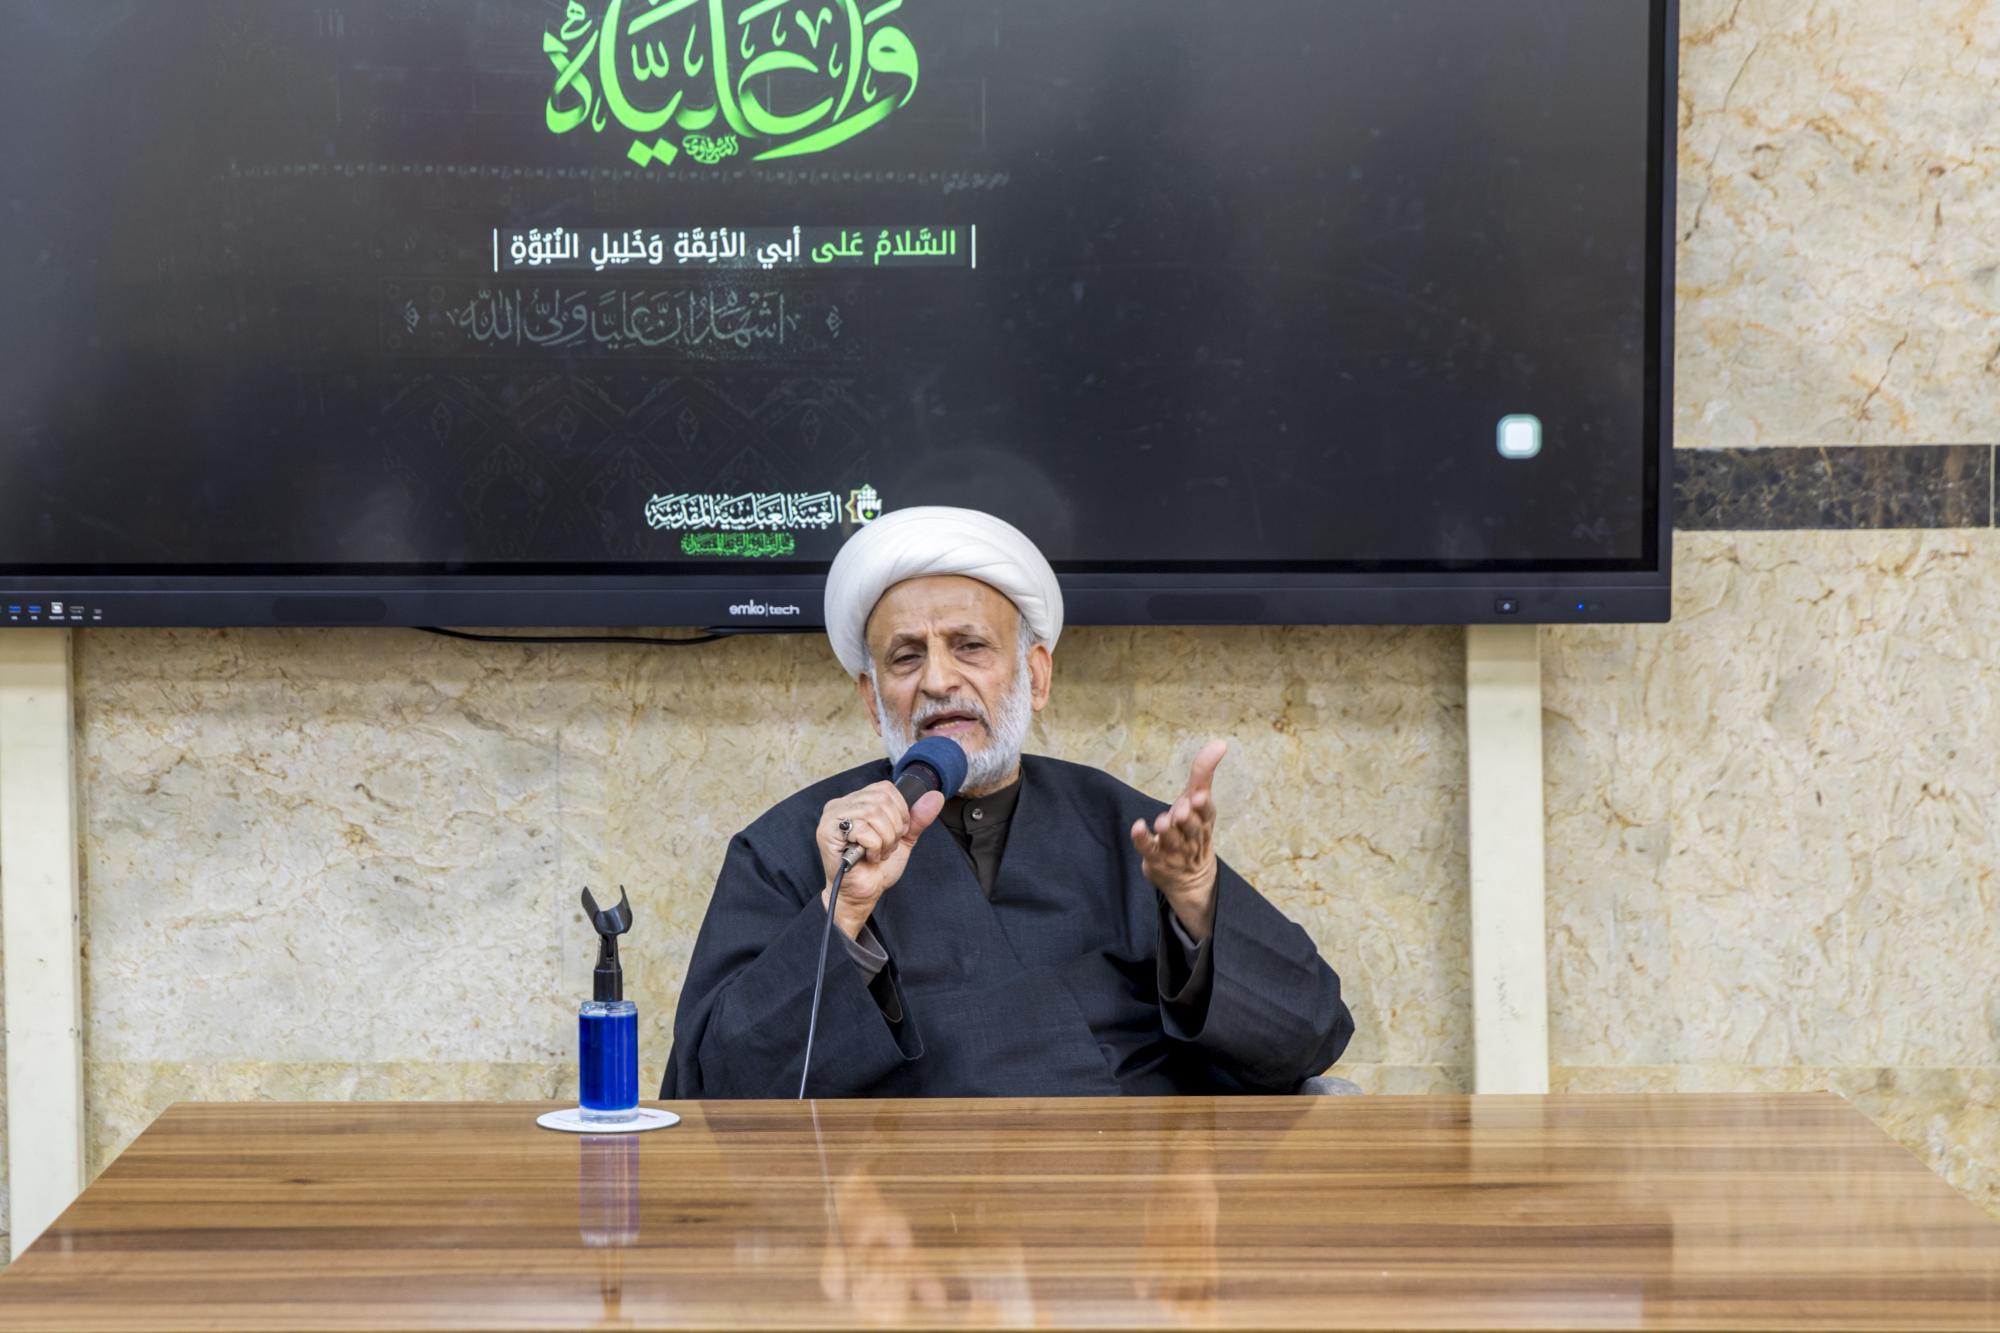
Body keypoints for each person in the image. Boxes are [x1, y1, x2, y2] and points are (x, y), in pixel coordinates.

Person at [662, 507, 1353, 1097]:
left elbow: (1308, 1036)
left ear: (1036, 676)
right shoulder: (791, 849)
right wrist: (841, 917)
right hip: (895, 1202)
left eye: (970, 646)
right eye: (906, 657)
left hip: (1125, 1193)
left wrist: (1198, 901)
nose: (938, 680)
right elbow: (711, 1091)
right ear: (873, 699)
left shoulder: (1134, 833)